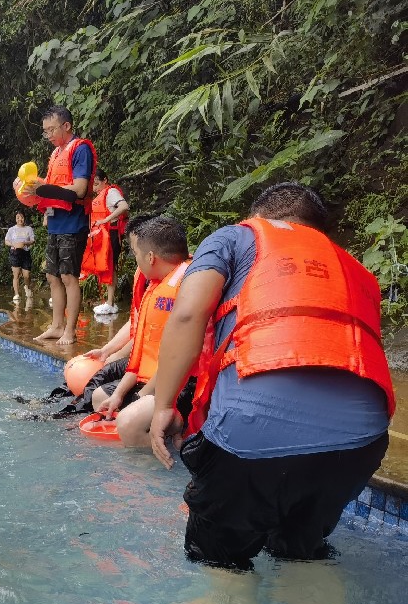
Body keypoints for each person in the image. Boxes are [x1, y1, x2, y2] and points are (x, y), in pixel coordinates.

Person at [149, 182, 393, 569]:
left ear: (256, 217)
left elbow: (187, 313)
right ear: (320, 232)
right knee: (303, 556)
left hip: (255, 430)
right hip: (361, 442)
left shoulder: (235, 237)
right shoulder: (352, 267)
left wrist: (163, 405)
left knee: (221, 563)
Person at [92, 216, 196, 447]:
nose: (135, 260)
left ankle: (151, 467)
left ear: (151, 257)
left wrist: (140, 396)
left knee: (129, 421)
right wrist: (119, 394)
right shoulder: (157, 285)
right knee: (101, 397)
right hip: (149, 378)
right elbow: (141, 353)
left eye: (135, 254)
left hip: (178, 383)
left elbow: (179, 359)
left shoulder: (188, 288)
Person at [29, 106, 95, 346]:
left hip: (73, 220)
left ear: (66, 126)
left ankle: (70, 330)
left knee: (68, 276)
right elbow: (50, 186)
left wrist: (43, 189)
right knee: (52, 275)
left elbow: (79, 189)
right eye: (45, 131)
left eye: (51, 130)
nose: (48, 135)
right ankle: (56, 326)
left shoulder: (81, 149)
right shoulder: (57, 153)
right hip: (56, 221)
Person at [89, 169, 130, 315]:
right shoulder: (100, 195)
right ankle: (108, 302)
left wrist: (105, 220)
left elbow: (124, 206)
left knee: (110, 266)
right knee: (104, 266)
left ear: (105, 180)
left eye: (97, 183)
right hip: (102, 235)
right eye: (92, 185)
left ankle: (110, 302)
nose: (95, 187)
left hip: (111, 234)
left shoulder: (110, 192)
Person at [5, 212, 35, 304]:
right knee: (16, 274)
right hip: (15, 253)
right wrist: (13, 244)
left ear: (24, 219)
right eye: (18, 218)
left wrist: (25, 243)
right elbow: (6, 241)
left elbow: (33, 240)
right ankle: (17, 294)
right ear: (15, 219)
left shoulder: (28, 229)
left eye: (21, 217)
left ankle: (27, 287)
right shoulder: (11, 229)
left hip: (25, 252)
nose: (20, 219)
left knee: (27, 275)